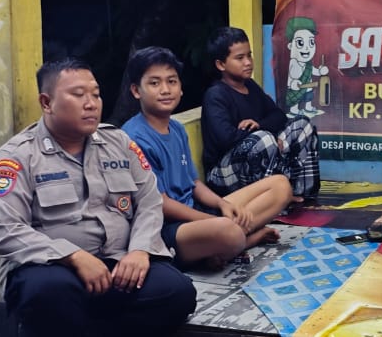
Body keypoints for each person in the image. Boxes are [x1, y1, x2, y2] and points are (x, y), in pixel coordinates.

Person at [0, 57, 196, 337]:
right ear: (47, 103)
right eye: (78, 95)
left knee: (177, 293)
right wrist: (73, 256)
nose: (91, 104)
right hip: (54, 270)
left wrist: (140, 250)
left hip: (119, 263)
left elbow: (149, 201)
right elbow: (5, 229)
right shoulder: (17, 157)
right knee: (48, 294)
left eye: (95, 94)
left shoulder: (118, 143)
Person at [123, 45, 292, 268]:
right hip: (163, 228)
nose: (165, 90)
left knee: (280, 186)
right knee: (228, 231)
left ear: (181, 88)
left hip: (195, 211)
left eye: (171, 81)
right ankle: (243, 240)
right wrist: (214, 220)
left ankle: (221, 247)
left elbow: (194, 183)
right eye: (154, 83)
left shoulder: (176, 129)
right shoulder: (133, 137)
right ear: (136, 90)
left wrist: (222, 204)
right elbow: (160, 204)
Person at [202, 26, 321, 202]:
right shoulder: (216, 95)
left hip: (257, 163)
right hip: (222, 175)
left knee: (302, 126)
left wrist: (259, 125)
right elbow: (225, 138)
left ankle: (299, 192)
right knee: (263, 140)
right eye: (240, 58)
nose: (248, 62)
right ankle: (270, 201)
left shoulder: (250, 86)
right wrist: (261, 134)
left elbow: (279, 116)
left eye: (249, 55)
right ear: (221, 65)